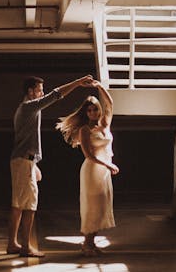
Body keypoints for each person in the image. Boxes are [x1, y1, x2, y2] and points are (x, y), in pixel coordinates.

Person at [8, 74, 95, 258]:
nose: (42, 92)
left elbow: (25, 140)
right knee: (30, 205)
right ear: (31, 92)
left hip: (23, 160)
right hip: (24, 161)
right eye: (40, 89)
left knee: (17, 204)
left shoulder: (24, 109)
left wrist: (34, 164)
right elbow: (56, 95)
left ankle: (12, 244)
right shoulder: (29, 107)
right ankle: (25, 246)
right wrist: (78, 83)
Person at [55, 80, 118, 256]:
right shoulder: (84, 130)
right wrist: (108, 164)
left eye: (95, 109)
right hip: (93, 170)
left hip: (104, 171)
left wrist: (99, 87)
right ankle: (86, 244)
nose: (93, 112)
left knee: (101, 206)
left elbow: (110, 103)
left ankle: (92, 243)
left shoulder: (105, 123)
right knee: (92, 207)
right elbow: (89, 155)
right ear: (86, 112)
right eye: (89, 110)